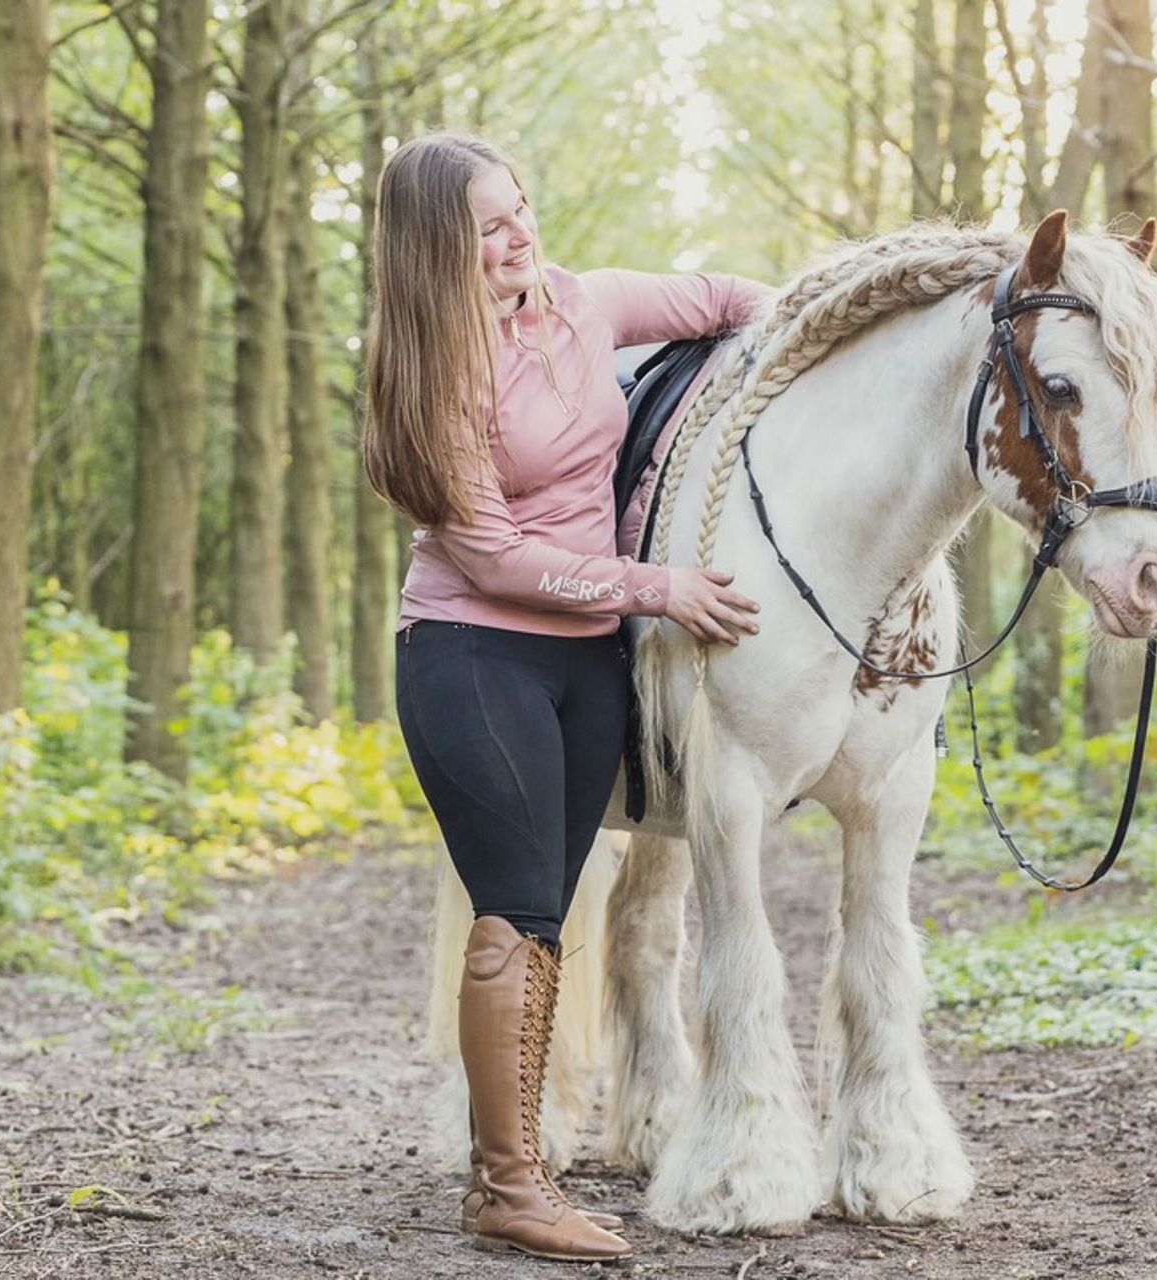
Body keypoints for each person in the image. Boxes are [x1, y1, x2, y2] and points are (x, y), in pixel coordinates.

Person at [361, 133, 769, 1261]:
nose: (520, 235)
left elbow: (729, 297)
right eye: (489, 226)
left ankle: (523, 1168)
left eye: (522, 207)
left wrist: (810, 333)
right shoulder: (424, 370)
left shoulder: (586, 303)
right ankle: (505, 1182)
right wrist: (661, 586)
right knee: (519, 908)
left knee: (551, 909)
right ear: (434, 250)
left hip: (588, 665)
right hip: (473, 654)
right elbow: (490, 559)